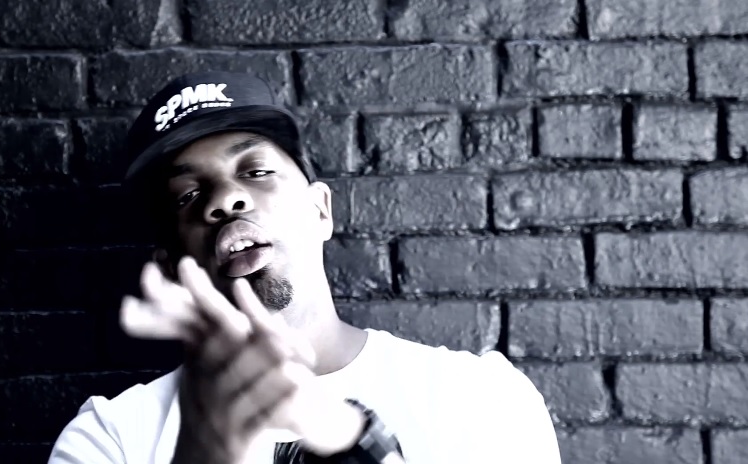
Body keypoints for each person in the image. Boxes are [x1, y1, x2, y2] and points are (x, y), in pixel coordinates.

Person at [48, 71, 562, 464]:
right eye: (188, 195)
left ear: (320, 211)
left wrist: (347, 437)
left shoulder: (482, 399)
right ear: (169, 268)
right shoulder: (110, 438)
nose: (226, 199)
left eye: (256, 171)